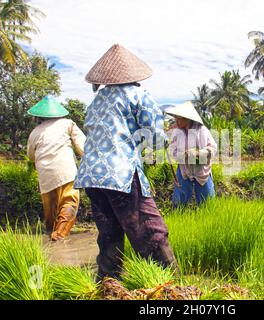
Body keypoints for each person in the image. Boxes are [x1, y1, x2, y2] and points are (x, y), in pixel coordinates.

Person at [74, 44, 179, 282]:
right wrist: (164, 141)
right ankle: (170, 286)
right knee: (149, 230)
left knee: (109, 234)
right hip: (119, 172)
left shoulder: (97, 101)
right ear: (134, 76)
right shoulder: (138, 95)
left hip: (91, 175)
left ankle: (108, 287)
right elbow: (153, 137)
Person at [27, 96, 86, 241]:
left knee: (50, 209)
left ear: (38, 116)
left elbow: (30, 156)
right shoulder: (68, 124)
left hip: (45, 175)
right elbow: (82, 145)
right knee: (69, 201)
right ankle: (59, 236)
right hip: (66, 171)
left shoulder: (35, 132)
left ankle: (50, 234)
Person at [165, 101, 217, 207]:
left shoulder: (202, 130)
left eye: (178, 118)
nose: (176, 121)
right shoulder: (176, 132)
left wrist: (199, 153)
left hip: (202, 170)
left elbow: (213, 148)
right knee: (179, 203)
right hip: (184, 170)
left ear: (187, 118)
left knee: (207, 204)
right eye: (175, 118)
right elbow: (172, 151)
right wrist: (183, 155)